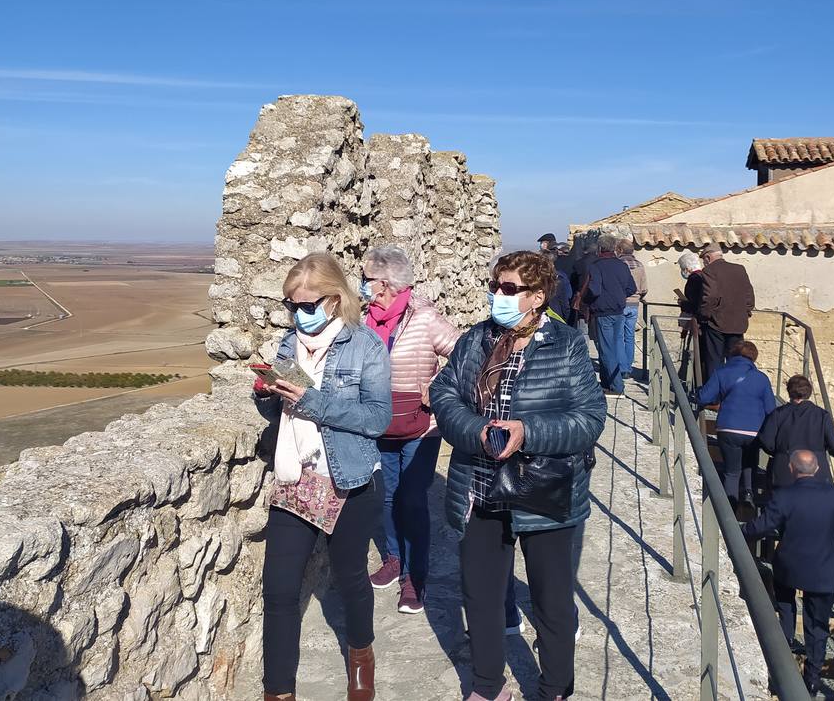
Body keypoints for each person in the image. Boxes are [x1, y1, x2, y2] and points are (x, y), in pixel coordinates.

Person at [432, 250, 606, 701]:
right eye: (495, 286)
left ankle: (554, 689)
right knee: (481, 595)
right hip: (481, 485)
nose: (497, 296)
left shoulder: (567, 345)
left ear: (537, 296)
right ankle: (488, 686)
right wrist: (478, 431)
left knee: (552, 602)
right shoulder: (477, 339)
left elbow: (589, 419)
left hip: (544, 491)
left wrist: (527, 433)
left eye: (508, 289)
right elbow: (444, 393)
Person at [254, 252, 393, 701]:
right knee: (278, 590)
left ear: (334, 301)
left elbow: (377, 419)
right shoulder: (286, 343)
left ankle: (361, 662)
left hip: (350, 480)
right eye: (292, 305)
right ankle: (278, 692)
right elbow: (277, 407)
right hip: (295, 479)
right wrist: (265, 392)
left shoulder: (365, 346)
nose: (298, 314)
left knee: (351, 578)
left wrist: (313, 402)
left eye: (307, 305)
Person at [360, 245, 460, 614]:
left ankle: (416, 579)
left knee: (412, 499)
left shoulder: (425, 317)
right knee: (388, 496)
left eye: (367, 279)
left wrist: (438, 387)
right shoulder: (365, 319)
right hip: (380, 423)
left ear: (385, 283)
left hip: (421, 425)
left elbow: (463, 354)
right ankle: (393, 559)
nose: (363, 285)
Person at [742, 450, 834, 696]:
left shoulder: (785, 495)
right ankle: (813, 677)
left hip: (789, 567)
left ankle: (782, 661)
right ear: (817, 469)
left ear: (792, 468)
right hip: (822, 571)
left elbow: (763, 526)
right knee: (817, 626)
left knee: (786, 609)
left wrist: (739, 530)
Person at [698, 341, 776, 515]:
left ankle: (729, 512)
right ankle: (748, 492)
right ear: (753, 358)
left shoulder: (722, 372)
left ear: (733, 354)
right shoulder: (762, 378)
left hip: (728, 428)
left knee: (732, 472)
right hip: (754, 430)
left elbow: (704, 397)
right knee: (750, 462)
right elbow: (771, 409)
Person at [758, 374, 834, 491]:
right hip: (816, 473)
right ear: (808, 392)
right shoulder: (821, 415)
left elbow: (766, 441)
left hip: (784, 472)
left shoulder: (778, 414)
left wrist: (781, 452)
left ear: (790, 391)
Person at [584, 233, 637, 395]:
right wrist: (619, 295)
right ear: (614, 248)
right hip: (619, 311)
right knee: (614, 346)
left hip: (603, 312)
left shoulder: (596, 266)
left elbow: (594, 289)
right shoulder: (622, 266)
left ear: (600, 248)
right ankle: (606, 382)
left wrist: (587, 300)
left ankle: (616, 386)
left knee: (606, 350)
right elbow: (632, 288)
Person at [697, 243, 754, 378]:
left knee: (714, 362)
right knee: (736, 361)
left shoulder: (709, 271)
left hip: (717, 323)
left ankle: (715, 396)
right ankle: (734, 391)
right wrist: (746, 312)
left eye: (704, 260)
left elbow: (710, 296)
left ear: (708, 257)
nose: (704, 263)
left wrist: (704, 315)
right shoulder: (740, 269)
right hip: (738, 324)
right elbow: (749, 295)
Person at [615, 238, 647, 380]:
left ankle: (622, 368)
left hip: (621, 303)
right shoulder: (640, 265)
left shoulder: (619, 264)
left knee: (619, 336)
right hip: (635, 304)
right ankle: (629, 365)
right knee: (630, 336)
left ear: (620, 250)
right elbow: (644, 288)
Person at [675, 251, 705, 382]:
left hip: (694, 320)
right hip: (700, 320)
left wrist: (683, 303)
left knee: (692, 352)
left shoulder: (693, 279)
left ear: (687, 269)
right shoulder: (704, 276)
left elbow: (693, 302)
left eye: (682, 269)